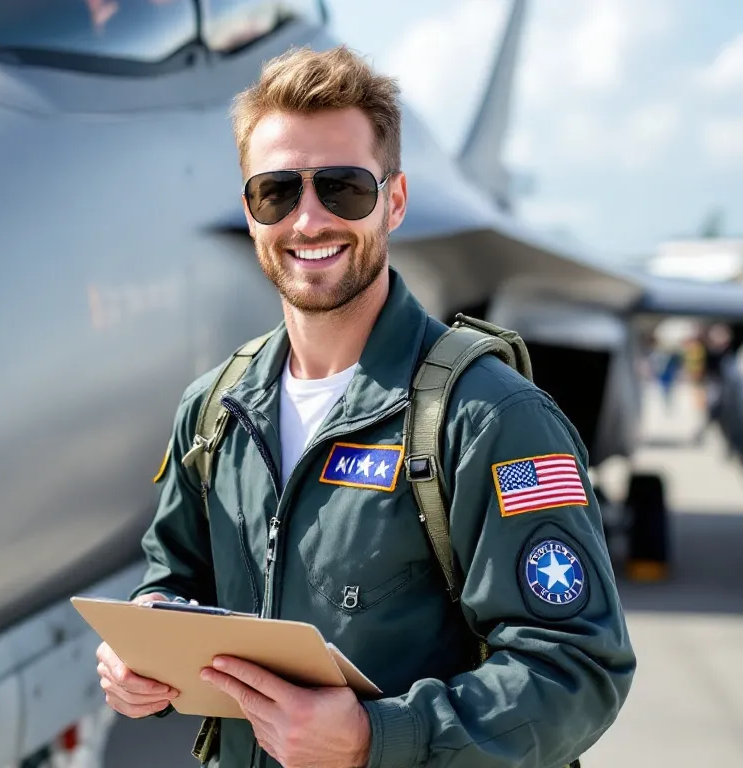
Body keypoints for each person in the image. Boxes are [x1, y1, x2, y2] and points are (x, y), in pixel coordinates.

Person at [93, 44, 635, 768]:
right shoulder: (216, 409)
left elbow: (579, 672)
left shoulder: (488, 419)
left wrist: (373, 739)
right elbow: (173, 577)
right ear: (250, 210)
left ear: (396, 201)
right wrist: (143, 647)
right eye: (276, 192)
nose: (308, 220)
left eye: (343, 188)